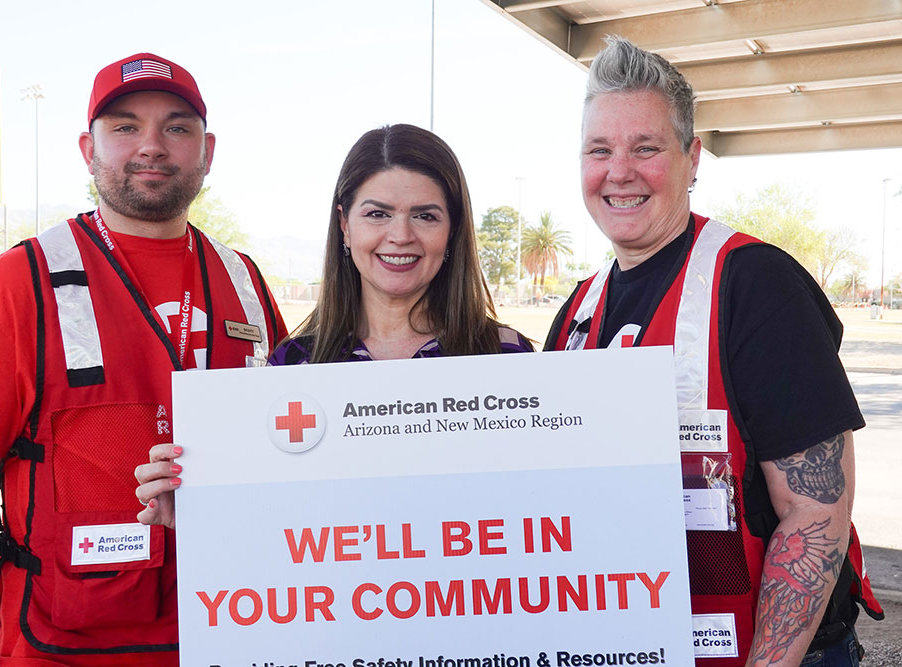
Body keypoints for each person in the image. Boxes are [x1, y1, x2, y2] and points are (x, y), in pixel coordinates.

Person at [0, 52, 286, 666]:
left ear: (207, 149)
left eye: (176, 126)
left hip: (230, 634)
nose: (152, 146)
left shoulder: (242, 278)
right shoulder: (15, 285)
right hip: (58, 648)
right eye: (124, 126)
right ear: (88, 148)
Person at [544, 36, 882, 667]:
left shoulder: (755, 284)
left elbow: (817, 512)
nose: (619, 171)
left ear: (692, 159)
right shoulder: (575, 314)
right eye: (600, 150)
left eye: (646, 148)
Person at [135, 123, 533, 527]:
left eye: (425, 216)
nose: (400, 235)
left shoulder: (505, 357)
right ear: (345, 223)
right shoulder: (293, 368)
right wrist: (196, 509)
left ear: (452, 230)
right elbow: (268, 522)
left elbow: (540, 508)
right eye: (377, 214)